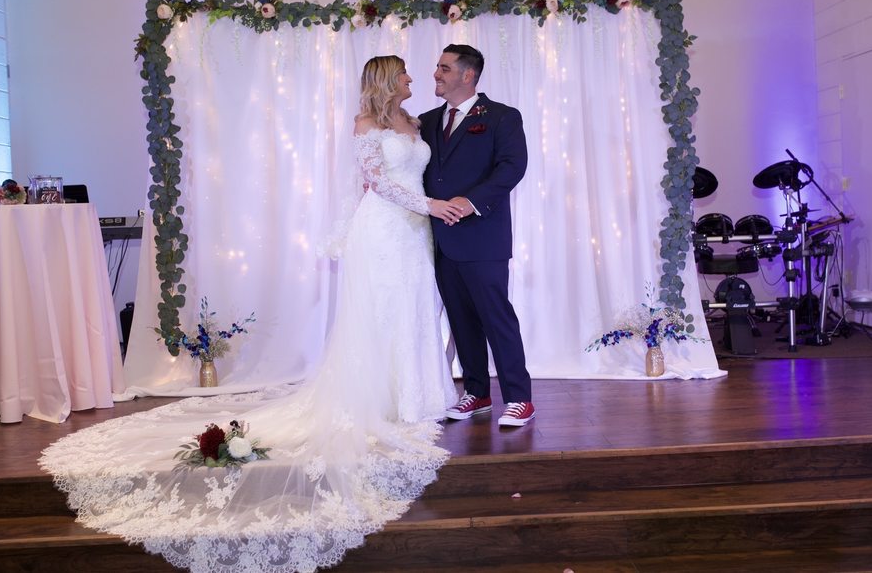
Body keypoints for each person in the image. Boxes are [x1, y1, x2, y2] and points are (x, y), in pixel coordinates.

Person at [40, 55, 463, 573]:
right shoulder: (365, 124)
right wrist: (432, 205)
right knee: (383, 313)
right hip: (384, 228)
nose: (413, 79)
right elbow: (377, 183)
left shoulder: (414, 122)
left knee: (414, 309)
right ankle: (382, 399)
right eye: (405, 73)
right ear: (386, 79)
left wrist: (429, 210)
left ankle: (416, 394)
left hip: (414, 233)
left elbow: (415, 175)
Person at [419, 44, 535, 427]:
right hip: (441, 240)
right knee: (460, 319)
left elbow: (512, 167)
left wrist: (470, 202)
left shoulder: (502, 117)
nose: (436, 74)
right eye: (438, 66)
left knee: (496, 318)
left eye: (444, 68)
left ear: (468, 75)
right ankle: (477, 392)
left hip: (483, 237)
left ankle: (519, 398)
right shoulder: (426, 121)